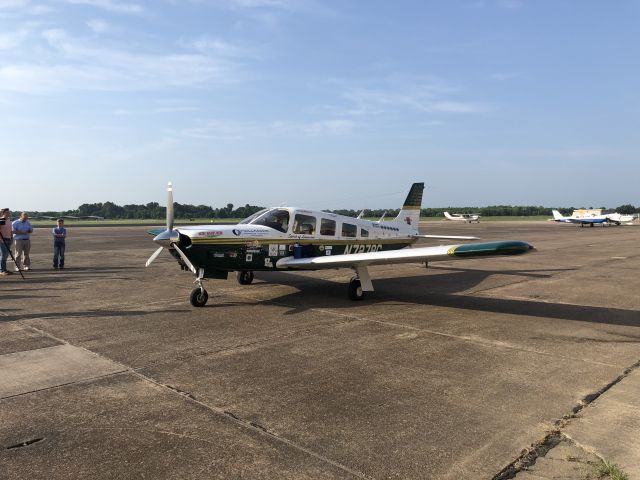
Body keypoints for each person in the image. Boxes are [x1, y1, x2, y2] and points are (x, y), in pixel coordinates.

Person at [0, 208, 13, 276]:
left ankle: (5, 269)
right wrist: (1, 239)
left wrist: (11, 238)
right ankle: (2, 270)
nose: (8, 214)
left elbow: (11, 230)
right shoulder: (1, 220)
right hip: (2, 240)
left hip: (8, 239)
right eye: (7, 212)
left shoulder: (9, 220)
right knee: (3, 255)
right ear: (3, 213)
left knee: (6, 255)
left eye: (9, 212)